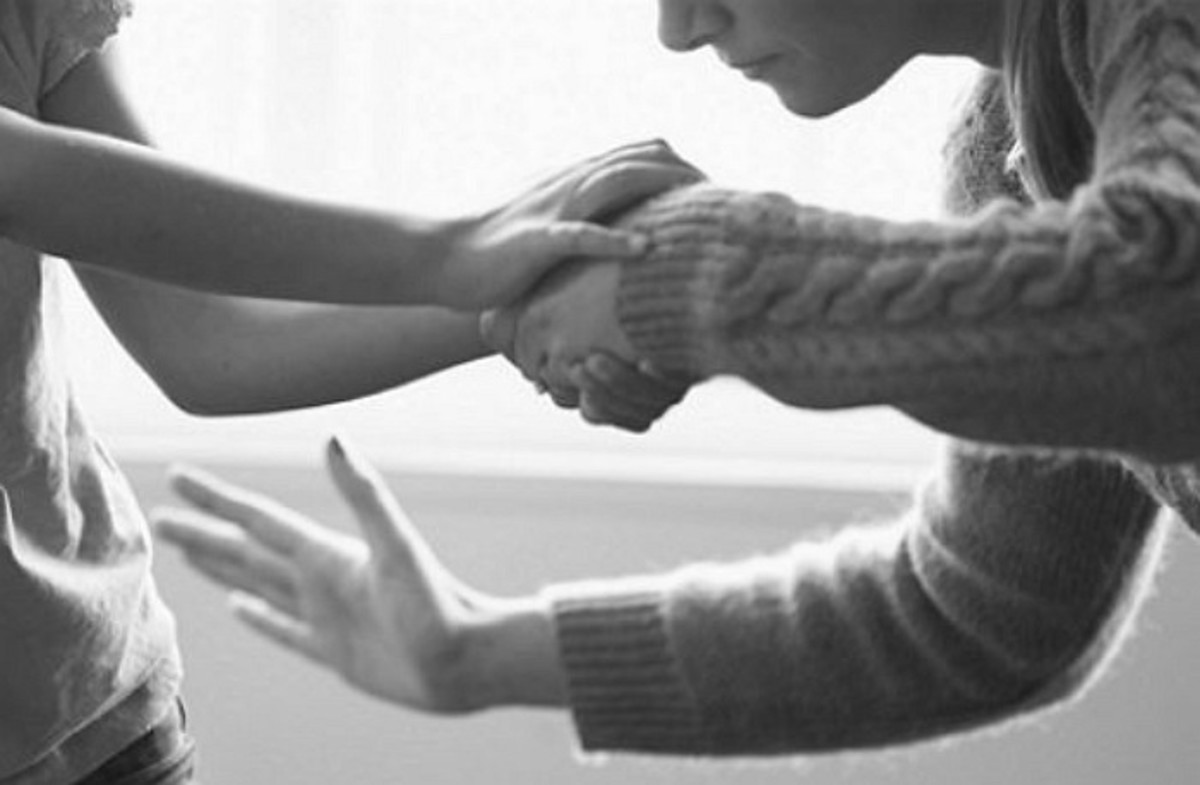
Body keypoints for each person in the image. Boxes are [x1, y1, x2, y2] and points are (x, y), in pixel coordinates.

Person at [154, 0, 1200, 766]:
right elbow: (978, 612)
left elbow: (1169, 315)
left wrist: (690, 276)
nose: (677, 27)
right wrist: (475, 653)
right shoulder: (1015, 140)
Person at [0, 0, 699, 782]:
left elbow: (206, 337)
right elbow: (21, 177)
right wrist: (461, 251)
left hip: (95, 717)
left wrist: (524, 300)